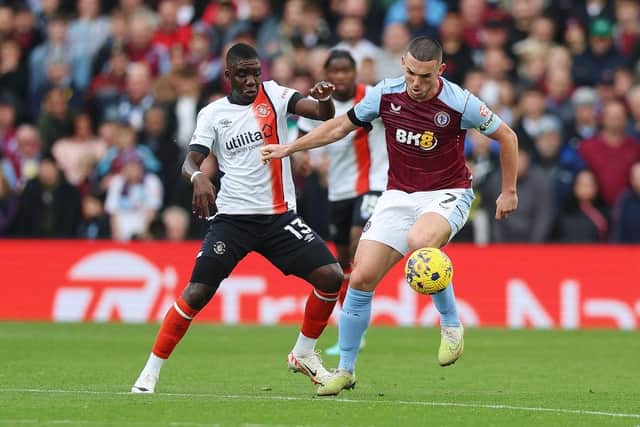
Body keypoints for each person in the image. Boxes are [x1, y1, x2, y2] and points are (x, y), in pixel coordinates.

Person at [262, 37, 518, 396]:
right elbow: (340, 126)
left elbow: (507, 136)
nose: (416, 83)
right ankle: (346, 370)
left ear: (440, 71)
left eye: (425, 77)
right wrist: (290, 147)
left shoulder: (459, 102)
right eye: (411, 73)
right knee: (361, 275)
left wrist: (509, 190)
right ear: (402, 64)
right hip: (397, 195)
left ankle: (450, 323)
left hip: (448, 193)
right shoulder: (385, 94)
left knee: (419, 242)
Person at [131, 43, 344, 394]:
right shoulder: (213, 114)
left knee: (331, 276)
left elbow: (322, 114)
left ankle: (303, 353)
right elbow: (190, 161)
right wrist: (198, 177)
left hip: (278, 218)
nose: (251, 80)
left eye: (255, 73)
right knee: (197, 293)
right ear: (228, 75)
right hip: (233, 220)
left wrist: (322, 99)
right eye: (242, 74)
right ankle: (150, 372)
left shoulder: (275, 95)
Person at [296, 50, 388, 356]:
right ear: (326, 73)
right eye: (334, 71)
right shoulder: (323, 106)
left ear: (354, 72)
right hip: (338, 190)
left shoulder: (372, 96)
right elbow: (302, 138)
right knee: (343, 262)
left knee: (357, 241)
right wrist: (301, 158)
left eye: (346, 70)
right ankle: (351, 329)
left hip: (374, 184)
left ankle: (357, 324)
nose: (340, 77)